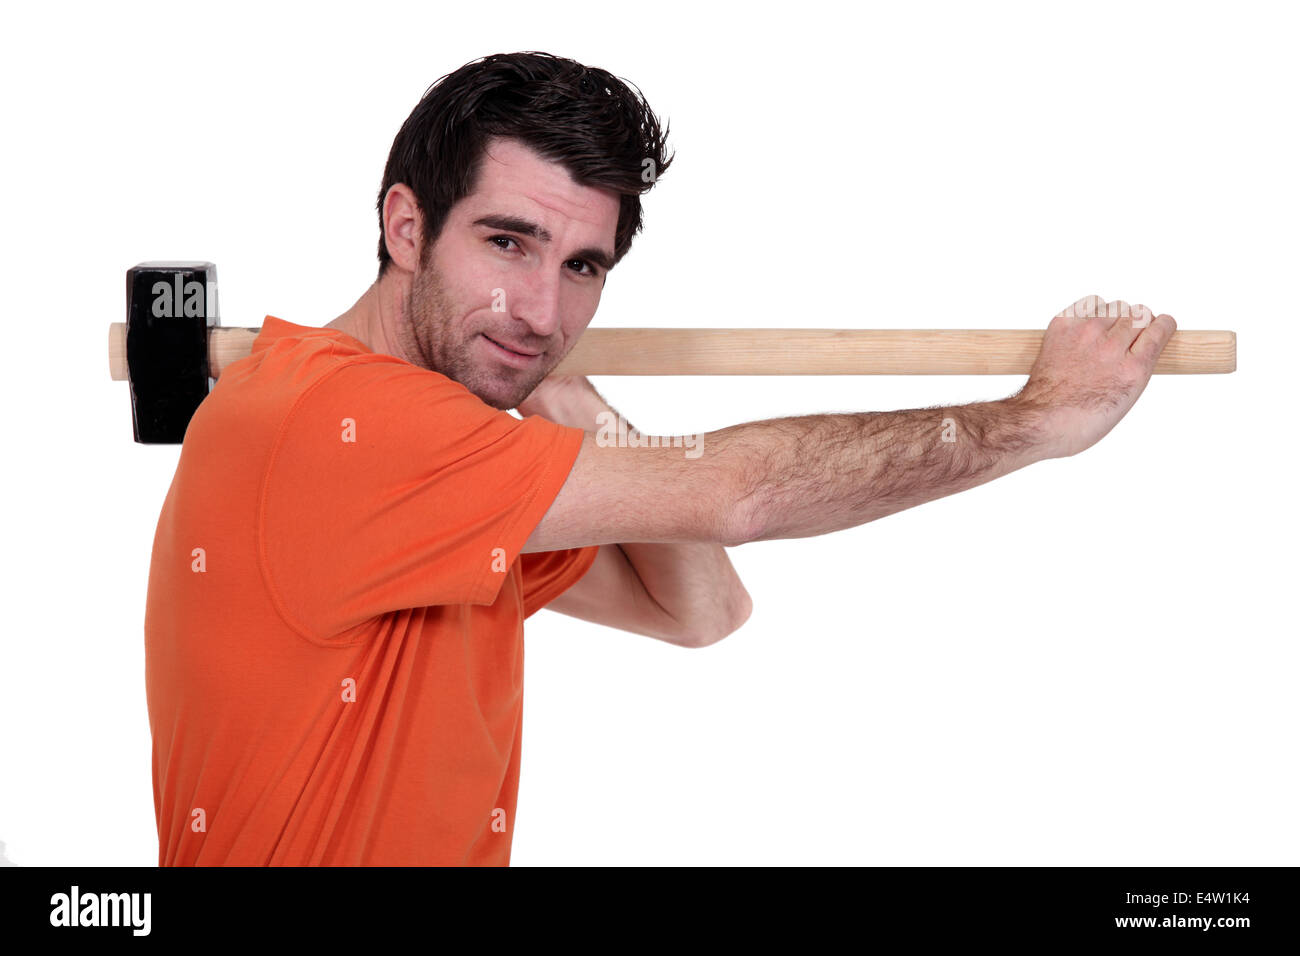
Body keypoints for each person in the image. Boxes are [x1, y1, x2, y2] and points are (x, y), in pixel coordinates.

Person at [143, 51, 1175, 866]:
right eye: (507, 242)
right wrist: (1033, 420)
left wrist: (558, 387)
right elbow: (732, 494)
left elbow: (698, 608)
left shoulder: (447, 462)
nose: (543, 307)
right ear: (405, 226)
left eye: (581, 264)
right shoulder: (342, 421)